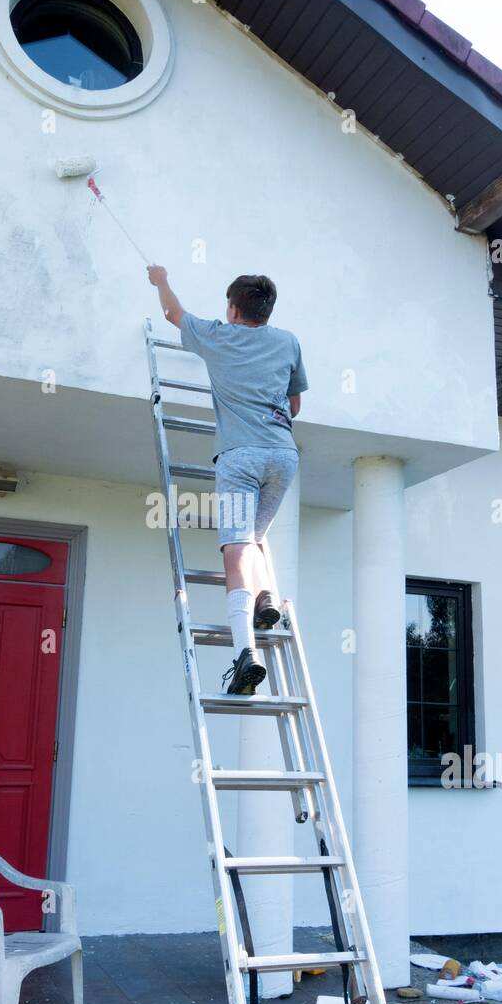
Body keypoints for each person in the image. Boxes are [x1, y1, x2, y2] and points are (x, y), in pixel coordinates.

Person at [147, 266, 307, 695]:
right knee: (254, 538)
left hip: (239, 458)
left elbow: (171, 313)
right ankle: (266, 598)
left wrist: (161, 278)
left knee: (235, 551)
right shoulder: (288, 341)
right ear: (267, 311)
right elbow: (294, 405)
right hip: (283, 455)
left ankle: (245, 654)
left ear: (234, 309)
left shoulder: (218, 335)